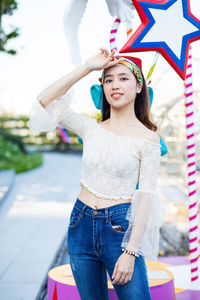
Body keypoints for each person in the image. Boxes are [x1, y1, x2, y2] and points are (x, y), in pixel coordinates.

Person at [28, 48, 163, 300]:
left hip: (120, 229)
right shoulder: (90, 128)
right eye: (108, 79)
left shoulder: (148, 139)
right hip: (80, 223)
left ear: (138, 86)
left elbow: (145, 198)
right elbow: (45, 100)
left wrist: (130, 251)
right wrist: (88, 67)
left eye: (123, 78)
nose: (114, 85)